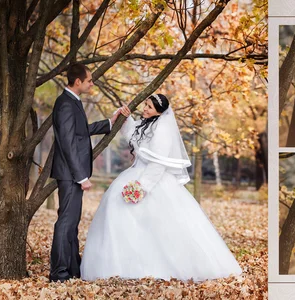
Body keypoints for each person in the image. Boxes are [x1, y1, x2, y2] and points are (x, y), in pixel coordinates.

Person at [80, 94, 242, 282]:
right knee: (116, 212)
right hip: (135, 173)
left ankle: (162, 267)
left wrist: (142, 187)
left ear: (160, 111)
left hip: (153, 179)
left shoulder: (163, 129)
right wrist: (125, 117)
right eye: (146, 105)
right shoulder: (147, 123)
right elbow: (132, 135)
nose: (145, 109)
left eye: (149, 107)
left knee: (161, 225)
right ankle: (120, 265)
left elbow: (158, 164)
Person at [49, 63, 129, 282]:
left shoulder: (72, 101)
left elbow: (80, 132)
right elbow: (66, 142)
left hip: (71, 172)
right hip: (70, 173)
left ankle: (73, 268)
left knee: (71, 221)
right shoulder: (65, 103)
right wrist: (80, 176)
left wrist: (109, 122)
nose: (92, 83)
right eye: (89, 80)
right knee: (66, 221)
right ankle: (59, 273)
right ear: (78, 82)